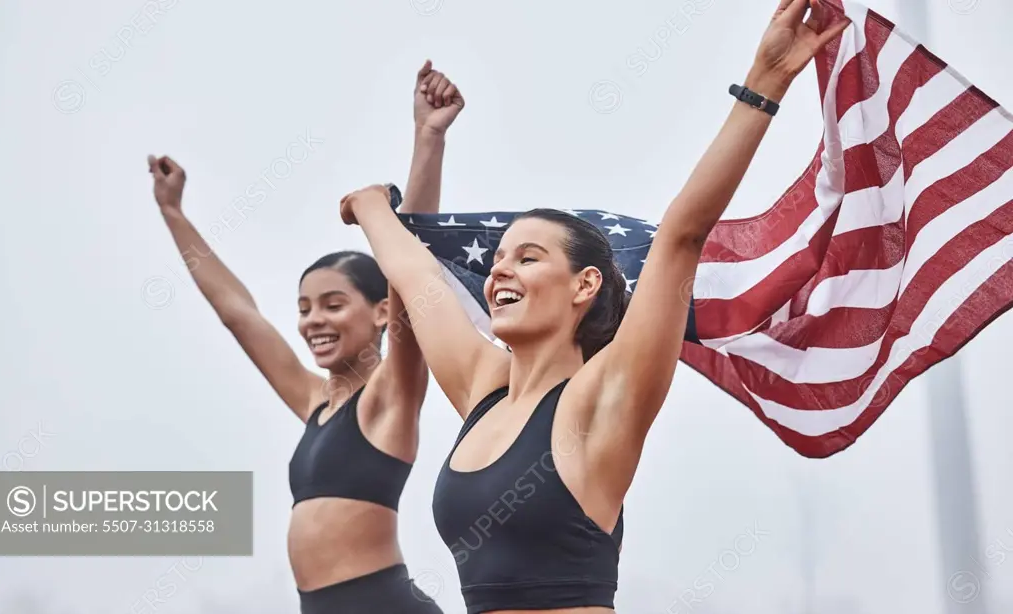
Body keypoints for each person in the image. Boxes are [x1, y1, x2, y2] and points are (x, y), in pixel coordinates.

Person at [337, 2, 849, 613]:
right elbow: (415, 271)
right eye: (499, 258)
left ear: (584, 285)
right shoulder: (483, 391)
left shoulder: (604, 395)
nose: (499, 268)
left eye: (528, 258)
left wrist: (764, 83)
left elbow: (682, 235)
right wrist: (371, 205)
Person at [147, 60, 465, 614]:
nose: (313, 320)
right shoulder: (314, 401)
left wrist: (428, 136)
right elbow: (239, 313)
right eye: (304, 308)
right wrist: (173, 212)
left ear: (383, 312)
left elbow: (411, 268)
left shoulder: (387, 398)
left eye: (333, 305)